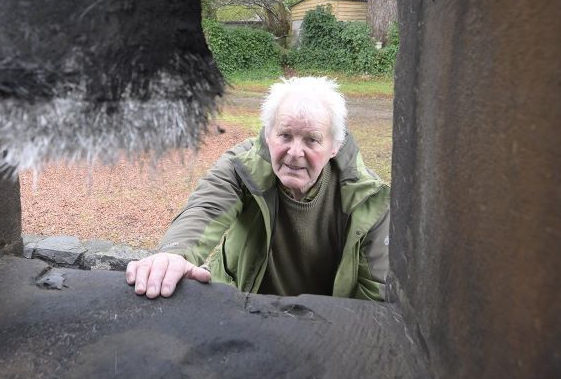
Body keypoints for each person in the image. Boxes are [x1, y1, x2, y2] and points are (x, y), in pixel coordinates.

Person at [126, 75, 390, 301]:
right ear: (267, 134)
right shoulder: (243, 165)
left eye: (311, 140)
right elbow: (205, 208)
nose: (295, 152)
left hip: (321, 330)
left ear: (335, 146)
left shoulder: (368, 198)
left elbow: (374, 294)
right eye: (285, 135)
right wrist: (173, 253)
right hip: (242, 313)